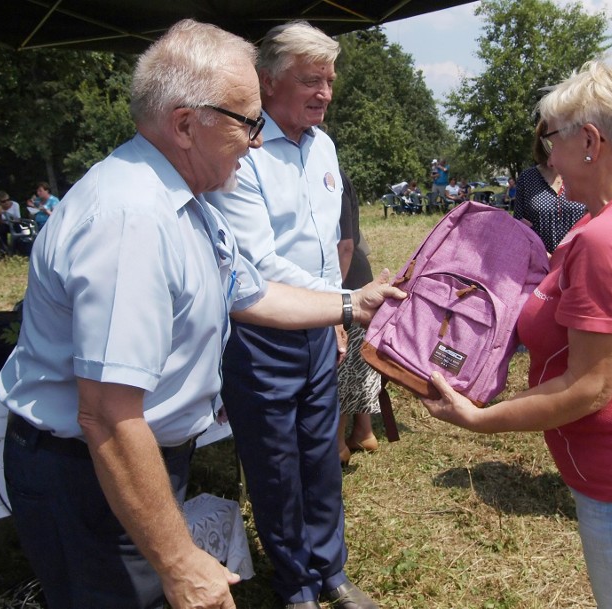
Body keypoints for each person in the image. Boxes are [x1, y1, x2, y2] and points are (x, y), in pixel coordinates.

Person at [0, 19, 404, 609]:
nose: (259, 141)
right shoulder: (132, 220)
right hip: (92, 472)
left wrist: (350, 302)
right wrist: (179, 560)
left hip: (130, 465)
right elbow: (107, 416)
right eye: (246, 121)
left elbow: (253, 293)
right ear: (186, 124)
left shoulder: (190, 202)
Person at [421, 59, 612, 609]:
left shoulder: (608, 238)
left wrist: (481, 419)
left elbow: (588, 388)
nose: (548, 157)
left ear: (590, 141)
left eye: (552, 139)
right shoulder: (611, 214)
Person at [207, 21, 380, 609]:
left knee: (321, 458)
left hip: (318, 328)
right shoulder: (243, 153)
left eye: (329, 80)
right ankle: (296, 585)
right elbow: (260, 262)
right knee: (277, 469)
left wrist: (333, 309)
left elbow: (330, 241)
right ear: (268, 82)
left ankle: (331, 570)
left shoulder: (324, 146)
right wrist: (340, 304)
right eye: (311, 79)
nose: (325, 92)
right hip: (260, 334)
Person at [336, 169, 382, 466]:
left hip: (344, 278)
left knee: (342, 365)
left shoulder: (328, 174)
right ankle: (364, 431)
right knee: (358, 360)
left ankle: (338, 443)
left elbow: (345, 244)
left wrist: (335, 299)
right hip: (357, 276)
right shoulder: (341, 174)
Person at [513, 121, 587, 253]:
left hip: (577, 260)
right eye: (551, 140)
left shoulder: (581, 175)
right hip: (540, 264)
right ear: (542, 141)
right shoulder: (527, 178)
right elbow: (518, 226)